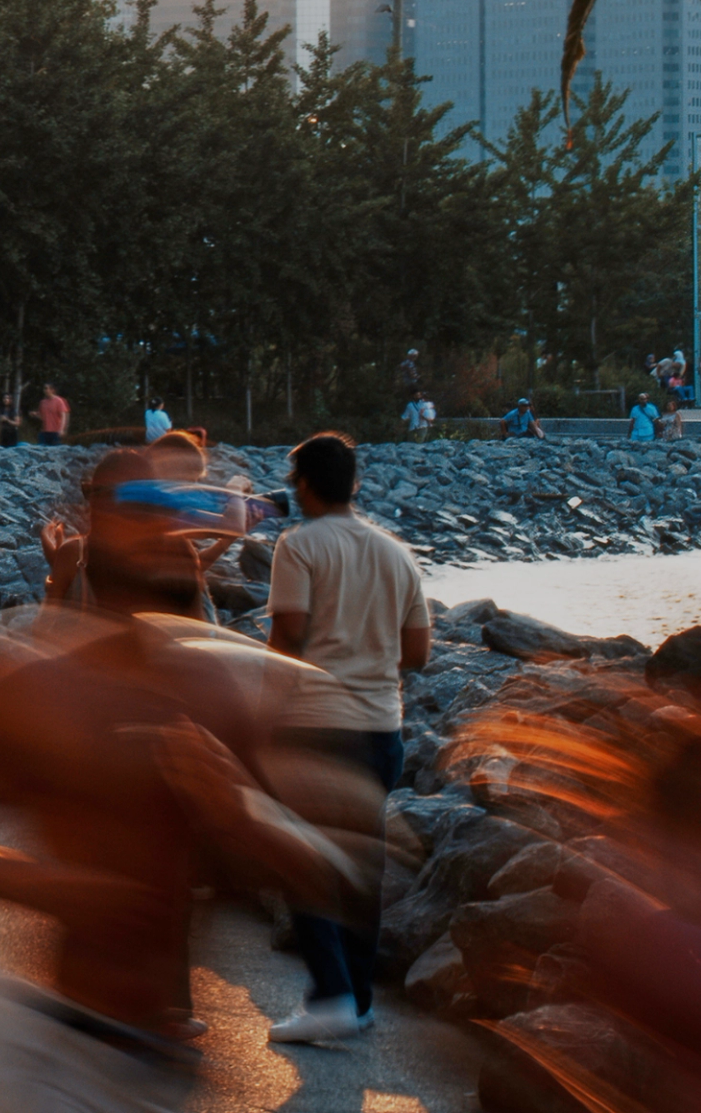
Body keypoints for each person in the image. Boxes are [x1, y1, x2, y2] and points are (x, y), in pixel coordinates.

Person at [0, 450, 376, 1105]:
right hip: (49, 1050)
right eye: (135, 506)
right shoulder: (39, 692)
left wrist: (247, 817)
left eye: (173, 506)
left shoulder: (218, 694)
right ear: (95, 527)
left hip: (160, 1067)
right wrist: (37, 880)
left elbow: (341, 886)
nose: (161, 526)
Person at [252, 431, 429, 1043]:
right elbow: (418, 652)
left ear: (302, 484)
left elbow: (287, 640)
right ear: (353, 483)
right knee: (361, 868)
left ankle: (328, 997)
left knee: (304, 863)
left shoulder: (298, 546)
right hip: (382, 728)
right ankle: (358, 999)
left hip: (315, 727)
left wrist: (262, 718)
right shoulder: (397, 553)